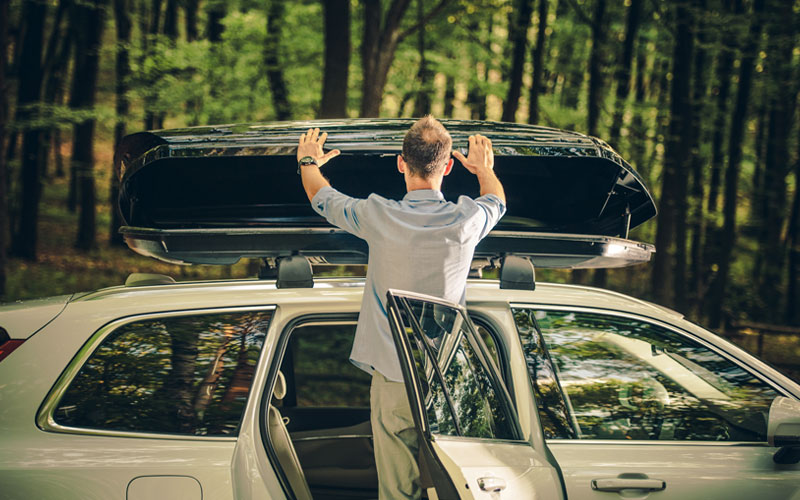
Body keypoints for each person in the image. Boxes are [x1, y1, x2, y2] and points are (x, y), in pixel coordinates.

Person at [296, 116, 506, 500]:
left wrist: (308, 161)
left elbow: (321, 198)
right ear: (448, 166)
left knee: (397, 490)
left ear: (400, 162)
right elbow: (497, 200)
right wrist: (484, 170)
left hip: (394, 376)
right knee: (459, 485)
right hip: (448, 380)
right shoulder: (467, 219)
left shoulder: (378, 215)